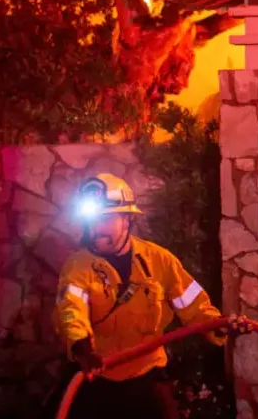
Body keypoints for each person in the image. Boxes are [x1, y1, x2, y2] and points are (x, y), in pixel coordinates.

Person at [53, 173, 227, 419]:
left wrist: (217, 325)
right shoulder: (77, 267)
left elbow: (191, 302)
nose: (95, 230)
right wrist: (82, 349)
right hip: (98, 374)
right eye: (90, 222)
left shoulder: (158, 260)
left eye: (105, 220)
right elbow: (71, 310)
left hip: (147, 373)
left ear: (127, 220)